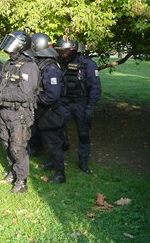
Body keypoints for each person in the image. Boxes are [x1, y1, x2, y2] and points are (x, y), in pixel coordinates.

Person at [0, 31, 39, 193]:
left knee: (17, 147)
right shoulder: (9, 64)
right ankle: (13, 172)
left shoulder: (29, 66)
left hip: (19, 114)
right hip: (4, 112)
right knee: (6, 143)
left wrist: (1, 97)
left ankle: (21, 180)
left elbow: (25, 93)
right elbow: (0, 83)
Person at [56, 37, 102, 174]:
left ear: (73, 50)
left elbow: (95, 88)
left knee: (83, 134)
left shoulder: (88, 64)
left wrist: (90, 107)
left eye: (65, 52)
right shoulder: (62, 62)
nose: (63, 55)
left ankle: (83, 162)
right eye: (61, 52)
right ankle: (56, 159)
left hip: (81, 103)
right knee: (56, 128)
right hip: (64, 102)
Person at [29, 33, 66, 183]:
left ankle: (60, 174)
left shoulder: (50, 68)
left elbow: (52, 95)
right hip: (43, 111)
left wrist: (33, 100)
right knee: (46, 140)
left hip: (51, 112)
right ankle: (52, 162)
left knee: (53, 143)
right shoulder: (41, 63)